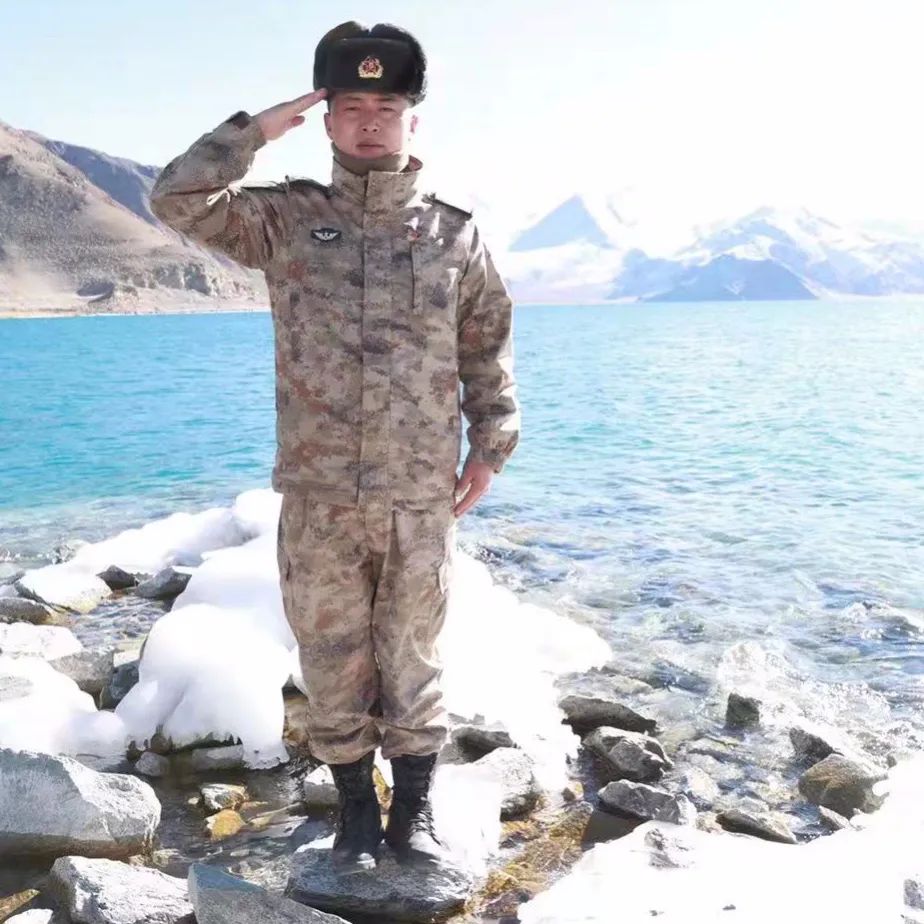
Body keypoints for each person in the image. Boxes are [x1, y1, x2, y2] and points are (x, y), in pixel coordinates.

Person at [149, 20, 520, 871]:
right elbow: (176, 200)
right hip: (318, 494)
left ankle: (413, 815)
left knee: (413, 655)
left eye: (386, 108)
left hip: (419, 494)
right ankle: (354, 813)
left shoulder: (454, 235)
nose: (369, 122)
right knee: (329, 656)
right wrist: (254, 130)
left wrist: (491, 444)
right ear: (325, 120)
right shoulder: (284, 220)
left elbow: (487, 347)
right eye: (351, 106)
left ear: (412, 120)